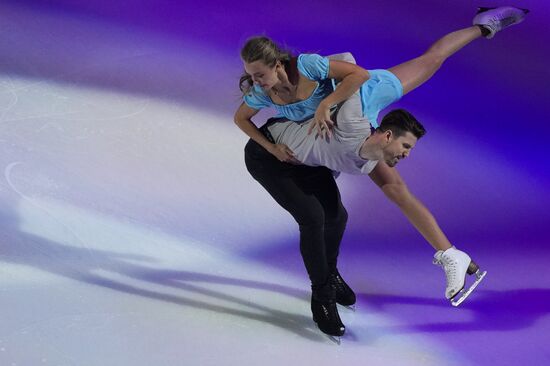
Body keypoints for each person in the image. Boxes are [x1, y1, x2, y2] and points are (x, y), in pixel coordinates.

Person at [234, 6, 527, 337]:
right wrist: (273, 147)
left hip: (361, 98)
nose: (255, 82)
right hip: (347, 128)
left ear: (276, 64)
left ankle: (484, 27)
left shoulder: (306, 65)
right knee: (385, 188)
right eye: (252, 75)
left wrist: (325, 104)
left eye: (259, 74)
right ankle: (449, 254)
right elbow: (243, 117)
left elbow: (355, 72)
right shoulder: (261, 91)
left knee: (431, 61)